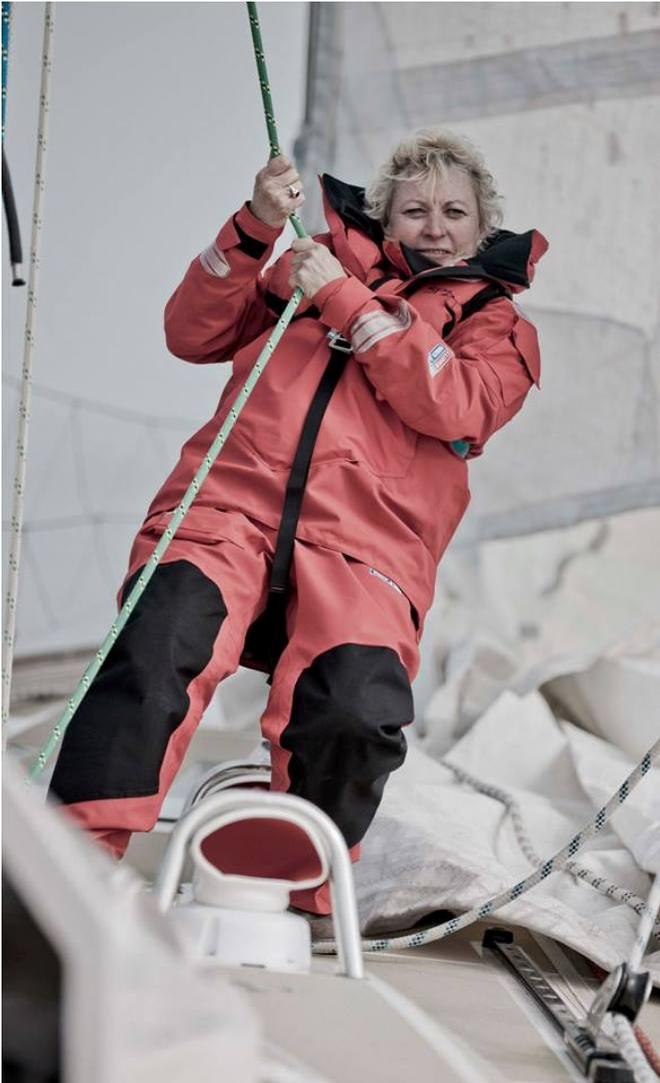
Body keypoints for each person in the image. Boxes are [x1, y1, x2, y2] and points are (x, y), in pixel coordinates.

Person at [49, 129, 547, 914]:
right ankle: (67, 874)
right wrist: (251, 226)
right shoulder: (306, 261)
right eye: (413, 209)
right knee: (154, 642)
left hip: (367, 551)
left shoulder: (497, 327)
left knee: (355, 708)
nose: (434, 225)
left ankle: (307, 895)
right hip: (228, 510)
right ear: (384, 218)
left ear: (484, 228)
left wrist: (346, 301)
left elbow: (457, 405)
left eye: (455, 211)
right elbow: (193, 333)